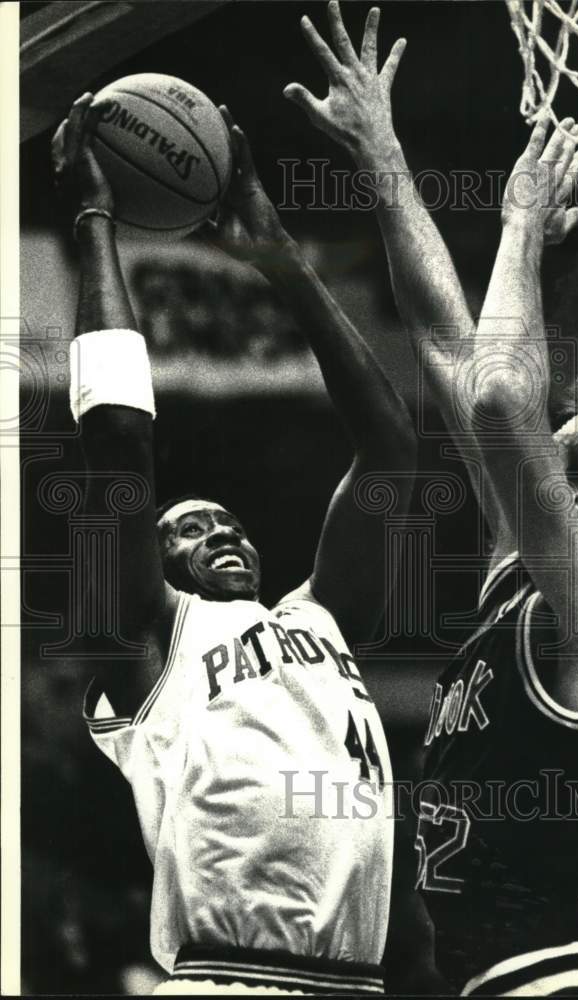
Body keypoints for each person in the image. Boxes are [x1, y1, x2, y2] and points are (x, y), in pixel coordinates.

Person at [287, 3, 578, 995]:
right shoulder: (521, 583)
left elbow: (494, 396)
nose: (538, 433)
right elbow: (449, 345)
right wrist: (380, 154)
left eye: (554, 439)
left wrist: (521, 225)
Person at [52, 92, 417, 995]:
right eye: (185, 528)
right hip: (226, 976)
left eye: (229, 524)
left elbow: (392, 451)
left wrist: (282, 262)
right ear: (151, 559)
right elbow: (119, 440)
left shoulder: (319, 617)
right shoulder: (142, 637)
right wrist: (94, 215)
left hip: (358, 983)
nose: (217, 531)